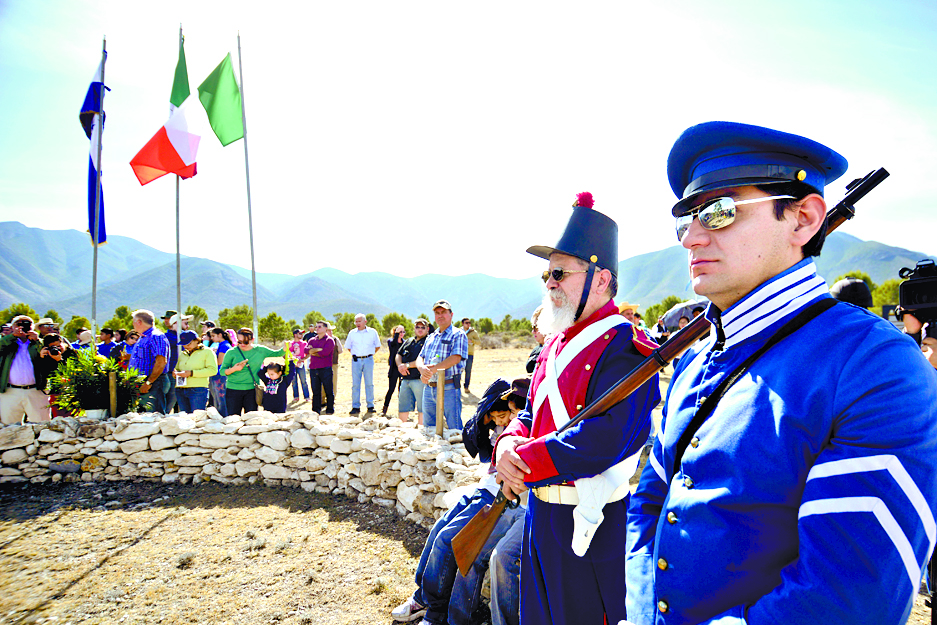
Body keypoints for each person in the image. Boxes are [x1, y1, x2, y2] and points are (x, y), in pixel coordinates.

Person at [625, 121, 937, 625]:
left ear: (804, 219)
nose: (692, 238)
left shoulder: (874, 365)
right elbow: (649, 505)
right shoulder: (695, 363)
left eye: (720, 212)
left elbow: (849, 599)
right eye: (686, 220)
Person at [494, 191, 661, 625]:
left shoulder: (628, 346)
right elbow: (532, 413)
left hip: (592, 518)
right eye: (547, 275)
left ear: (601, 279)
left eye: (560, 273)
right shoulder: (556, 340)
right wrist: (509, 444)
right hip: (541, 511)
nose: (550, 283)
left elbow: (605, 439)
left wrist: (523, 461)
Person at [391, 379, 526, 625]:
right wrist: (485, 417)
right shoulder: (503, 427)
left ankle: (435, 610)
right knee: (437, 532)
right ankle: (422, 598)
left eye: (506, 415)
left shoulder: (523, 427)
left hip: (498, 496)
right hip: (483, 488)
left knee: (449, 541)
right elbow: (476, 445)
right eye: (496, 416)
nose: (502, 420)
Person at [417, 300, 468, 431]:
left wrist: (432, 370)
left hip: (449, 387)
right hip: (429, 388)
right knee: (429, 429)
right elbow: (420, 357)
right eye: (437, 313)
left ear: (451, 315)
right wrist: (422, 369)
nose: (440, 315)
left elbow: (456, 358)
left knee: (454, 428)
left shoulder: (458, 334)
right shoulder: (431, 337)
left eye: (444, 312)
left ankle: (458, 451)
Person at [220, 328, 285, 415]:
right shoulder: (231, 352)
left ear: (252, 340)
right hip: (233, 390)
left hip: (252, 391)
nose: (242, 344)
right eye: (239, 342)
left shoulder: (260, 350)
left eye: (246, 342)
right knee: (233, 419)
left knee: (251, 420)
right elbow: (222, 371)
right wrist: (234, 369)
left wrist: (286, 346)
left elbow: (278, 353)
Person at [0, 315, 49, 425]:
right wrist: (13, 336)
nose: (23, 327)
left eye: (27, 324)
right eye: (19, 324)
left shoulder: (39, 343)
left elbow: (48, 360)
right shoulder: (7, 342)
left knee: (42, 425)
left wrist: (37, 341)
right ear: (12, 327)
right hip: (10, 391)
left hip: (35, 390)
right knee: (9, 426)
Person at [128, 309, 171, 413]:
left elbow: (161, 362)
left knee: (154, 416)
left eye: (133, 321)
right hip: (143, 382)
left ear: (139, 322)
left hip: (153, 383)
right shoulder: (143, 337)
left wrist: (148, 382)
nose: (133, 324)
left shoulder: (156, 336)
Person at [344, 313, 381, 415]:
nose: (357, 323)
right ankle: (355, 406)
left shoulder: (372, 332)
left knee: (369, 383)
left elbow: (377, 346)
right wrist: (356, 354)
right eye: (356, 321)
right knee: (356, 384)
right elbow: (348, 346)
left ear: (365, 322)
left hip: (368, 359)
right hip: (356, 361)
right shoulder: (352, 333)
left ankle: (370, 405)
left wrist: (369, 354)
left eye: (359, 321)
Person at [396, 318, 429, 424]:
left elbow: (424, 360)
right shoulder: (409, 341)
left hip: (419, 379)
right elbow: (398, 354)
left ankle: (421, 430)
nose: (420, 329)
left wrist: (407, 365)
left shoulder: (429, 342)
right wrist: (400, 365)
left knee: (422, 407)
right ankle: (402, 430)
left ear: (427, 329)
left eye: (422, 327)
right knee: (403, 406)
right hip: (405, 379)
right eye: (417, 327)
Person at [173, 330, 216, 413]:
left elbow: (213, 370)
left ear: (197, 341)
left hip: (198, 390)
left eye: (188, 343)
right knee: (185, 419)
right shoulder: (183, 354)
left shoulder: (207, 352)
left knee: (197, 418)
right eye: (184, 344)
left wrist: (191, 373)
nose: (186, 346)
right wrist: (175, 373)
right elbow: (177, 368)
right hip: (181, 389)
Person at [163, 312, 192, 414]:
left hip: (181, 372)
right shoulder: (168, 337)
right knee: (171, 397)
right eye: (185, 323)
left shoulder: (179, 337)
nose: (187, 326)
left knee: (178, 396)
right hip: (171, 372)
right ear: (176, 323)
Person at [306, 321, 335, 415]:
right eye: (316, 327)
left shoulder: (329, 340)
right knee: (315, 390)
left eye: (319, 327)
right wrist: (317, 350)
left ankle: (330, 409)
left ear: (325, 328)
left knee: (328, 390)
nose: (317, 328)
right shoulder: (311, 340)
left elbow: (325, 353)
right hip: (314, 369)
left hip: (325, 368)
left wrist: (313, 351)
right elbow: (306, 350)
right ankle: (315, 410)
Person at [207, 327, 232, 417]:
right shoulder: (222, 345)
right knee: (217, 399)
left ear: (220, 335)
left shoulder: (224, 346)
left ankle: (223, 417)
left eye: (213, 336)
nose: (212, 338)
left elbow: (219, 361)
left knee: (220, 399)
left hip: (220, 376)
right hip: (218, 375)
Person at [382, 324, 406, 416]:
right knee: (391, 389)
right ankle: (385, 408)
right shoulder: (391, 341)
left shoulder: (405, 342)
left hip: (402, 368)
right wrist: (396, 335)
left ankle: (402, 410)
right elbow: (393, 345)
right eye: (400, 332)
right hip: (393, 369)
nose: (402, 334)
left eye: (403, 331)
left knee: (402, 390)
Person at [289, 329, 311, 404]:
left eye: (302, 334)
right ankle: (296, 397)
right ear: (295, 334)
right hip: (292, 365)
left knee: (303, 381)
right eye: (300, 333)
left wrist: (303, 359)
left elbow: (309, 353)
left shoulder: (304, 343)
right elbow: (284, 354)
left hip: (301, 365)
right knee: (294, 382)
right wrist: (290, 359)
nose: (301, 335)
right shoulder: (290, 344)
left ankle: (307, 397)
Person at [461, 318, 480, 393]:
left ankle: (466, 387)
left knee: (468, 371)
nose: (468, 324)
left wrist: (472, 341)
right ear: (463, 323)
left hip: (469, 354)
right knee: (458, 371)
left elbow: (479, 342)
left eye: (469, 323)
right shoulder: (459, 331)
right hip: (459, 354)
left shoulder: (473, 332)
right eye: (466, 323)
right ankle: (457, 387)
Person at [526, 306, 545, 374]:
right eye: (532, 328)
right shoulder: (537, 349)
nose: (533, 332)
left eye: (535, 328)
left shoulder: (555, 350)